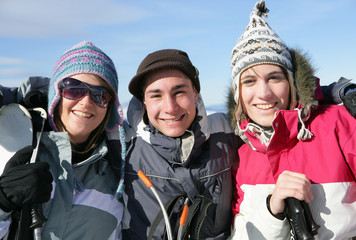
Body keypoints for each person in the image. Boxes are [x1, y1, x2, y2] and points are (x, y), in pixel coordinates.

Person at [229, 1, 356, 239]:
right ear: (238, 93)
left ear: (291, 84)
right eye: (249, 81)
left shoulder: (339, 124)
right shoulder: (242, 155)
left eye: (275, 78)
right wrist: (272, 209)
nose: (264, 93)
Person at [0, 41, 126, 239]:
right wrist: (3, 202)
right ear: (56, 95)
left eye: (100, 95)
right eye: (74, 89)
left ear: (109, 106)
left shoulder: (119, 171)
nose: (86, 102)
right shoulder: (13, 147)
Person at [122, 49, 241, 239]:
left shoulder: (226, 131)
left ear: (195, 93)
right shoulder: (124, 145)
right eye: (156, 95)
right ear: (143, 101)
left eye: (179, 92)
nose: (170, 107)